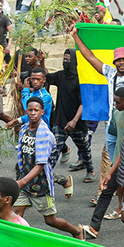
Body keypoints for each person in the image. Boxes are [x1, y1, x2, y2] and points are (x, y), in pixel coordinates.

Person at [13, 96, 83, 239]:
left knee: (50, 220)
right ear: (26, 111)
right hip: (25, 182)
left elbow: (40, 165)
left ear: (42, 112)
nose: (33, 113)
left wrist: (22, 181)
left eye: (36, 110)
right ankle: (16, 244)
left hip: (40, 185)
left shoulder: (45, 135)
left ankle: (76, 231)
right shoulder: (24, 129)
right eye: (30, 110)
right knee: (16, 215)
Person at [79, 87, 124, 239]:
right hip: (118, 161)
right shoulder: (116, 113)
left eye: (117, 102)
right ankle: (94, 227)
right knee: (106, 192)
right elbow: (114, 135)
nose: (115, 105)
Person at [46, 49, 96, 185]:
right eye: (64, 59)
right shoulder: (61, 76)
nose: (65, 62)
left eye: (68, 60)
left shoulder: (81, 80)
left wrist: (74, 121)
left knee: (84, 148)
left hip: (77, 123)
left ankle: (90, 170)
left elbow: (83, 103)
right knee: (54, 151)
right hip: (60, 121)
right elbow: (47, 77)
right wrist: (41, 60)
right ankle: (45, 176)